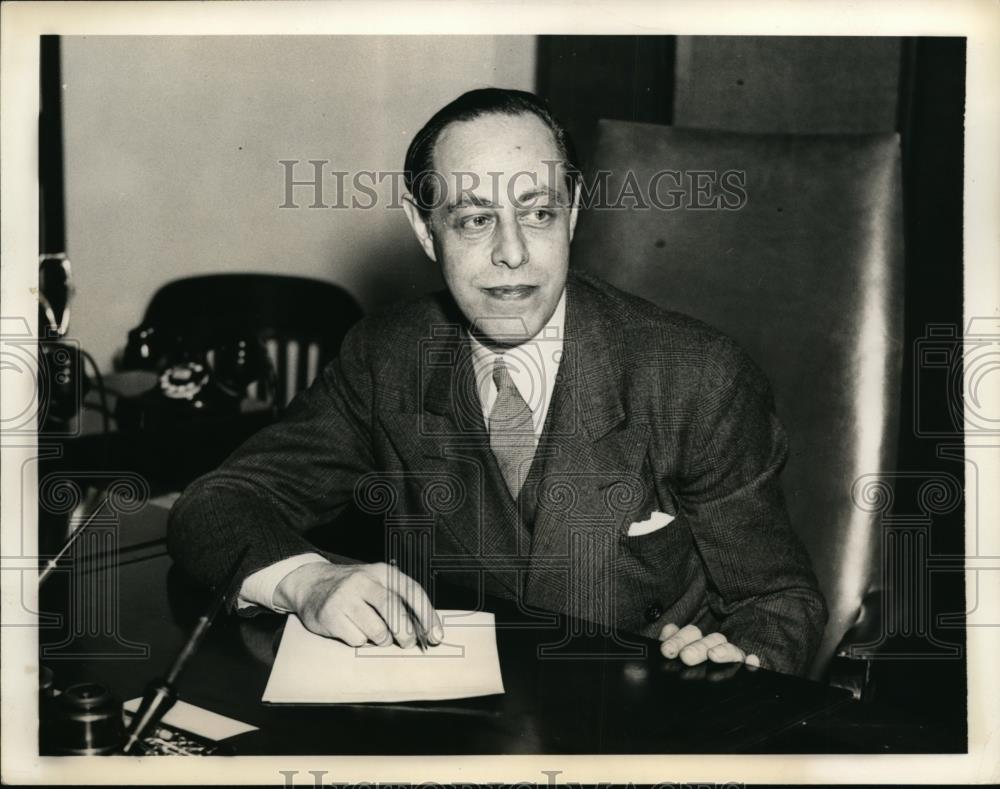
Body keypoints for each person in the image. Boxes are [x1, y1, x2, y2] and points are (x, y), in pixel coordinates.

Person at [168, 88, 827, 676]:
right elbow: (218, 504)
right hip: (458, 732)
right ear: (425, 231)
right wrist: (308, 582)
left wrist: (737, 661)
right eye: (475, 218)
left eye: (538, 213)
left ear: (572, 216)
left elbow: (776, 599)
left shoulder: (696, 376)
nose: (512, 252)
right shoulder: (388, 357)